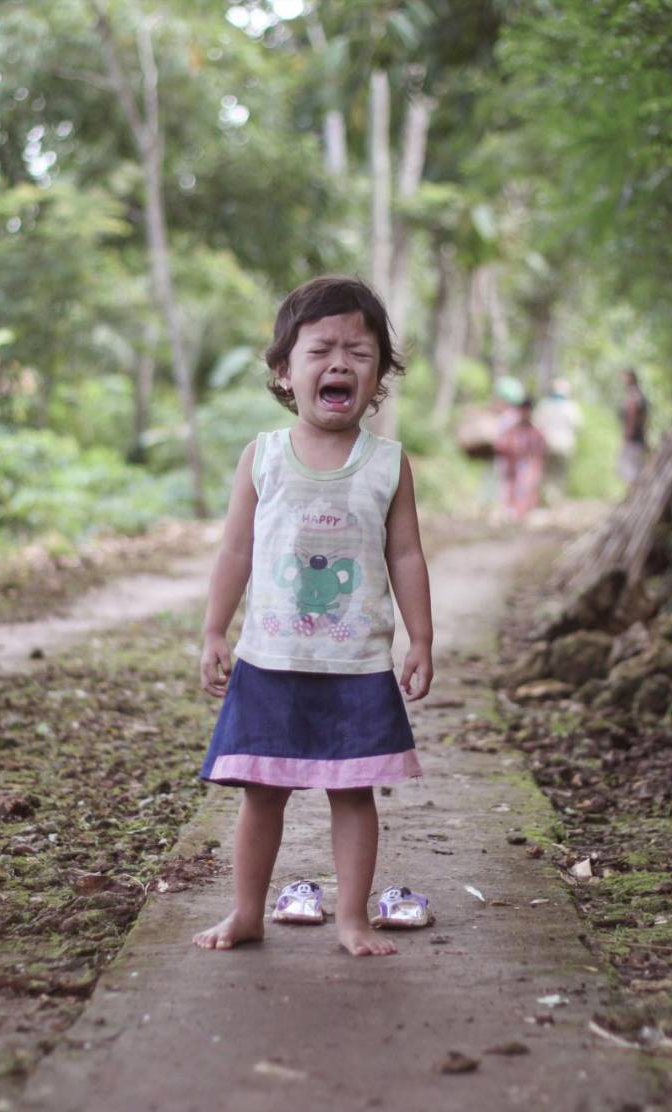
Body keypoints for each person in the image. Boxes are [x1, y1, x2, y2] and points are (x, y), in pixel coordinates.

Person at [193, 276, 433, 958]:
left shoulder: (387, 465)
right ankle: (246, 912)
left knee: (353, 794)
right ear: (284, 371)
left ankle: (352, 917)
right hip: (270, 660)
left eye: (358, 352)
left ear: (379, 376)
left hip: (356, 664)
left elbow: (406, 555)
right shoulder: (263, 457)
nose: (339, 363)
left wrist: (421, 638)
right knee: (261, 795)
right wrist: (213, 630)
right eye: (320, 350)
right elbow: (236, 550)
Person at [494, 396, 548, 520]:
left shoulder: (536, 432)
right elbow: (501, 447)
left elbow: (541, 452)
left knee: (527, 490)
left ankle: (523, 513)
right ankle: (511, 512)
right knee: (512, 491)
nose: (525, 413)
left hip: (529, 470)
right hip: (512, 469)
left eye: (527, 410)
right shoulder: (511, 431)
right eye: (523, 410)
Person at [534, 379, 584, 500]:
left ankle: (547, 497)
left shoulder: (544, 405)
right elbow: (578, 426)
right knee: (559, 473)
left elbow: (536, 424)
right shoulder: (571, 406)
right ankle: (555, 498)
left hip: (548, 443)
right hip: (564, 445)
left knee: (547, 473)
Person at [617, 368, 650, 484]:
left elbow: (634, 416)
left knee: (631, 469)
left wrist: (628, 435)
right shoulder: (636, 394)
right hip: (636, 437)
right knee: (632, 467)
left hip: (634, 437)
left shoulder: (634, 395)